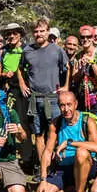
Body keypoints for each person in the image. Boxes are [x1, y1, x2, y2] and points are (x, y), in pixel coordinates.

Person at [36, 90, 97, 192]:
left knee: (81, 152)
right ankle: (71, 188)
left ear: (76, 104)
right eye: (62, 105)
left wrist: (70, 143)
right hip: (64, 167)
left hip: (85, 165)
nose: (66, 109)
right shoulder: (56, 123)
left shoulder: (87, 121)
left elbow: (96, 146)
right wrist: (43, 180)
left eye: (69, 104)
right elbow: (48, 151)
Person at [20, 18, 69, 156]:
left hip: (52, 98)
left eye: (42, 31)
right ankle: (43, 166)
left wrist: (65, 86)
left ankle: (54, 163)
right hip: (34, 98)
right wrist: (22, 84)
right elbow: (19, 68)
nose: (39, 34)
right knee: (38, 133)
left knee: (53, 131)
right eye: (36, 31)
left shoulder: (57, 50)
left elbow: (67, 67)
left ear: (48, 32)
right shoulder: (27, 50)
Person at [67, 27, 97, 118]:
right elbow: (75, 79)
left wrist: (92, 62)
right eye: (82, 37)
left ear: (93, 37)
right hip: (83, 97)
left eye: (88, 37)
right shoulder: (78, 56)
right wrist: (81, 69)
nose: (85, 39)